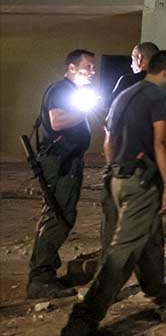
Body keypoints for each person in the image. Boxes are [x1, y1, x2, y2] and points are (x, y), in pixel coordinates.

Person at [62, 51, 166, 335]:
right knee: (123, 251)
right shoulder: (158, 96)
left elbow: (109, 140)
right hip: (139, 183)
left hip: (117, 178)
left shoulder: (123, 95)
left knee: (149, 243)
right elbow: (161, 143)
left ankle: (164, 298)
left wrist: (115, 171)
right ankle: (84, 318)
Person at [101, 42, 166, 267]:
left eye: (132, 58)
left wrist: (111, 166)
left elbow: (108, 133)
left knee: (113, 228)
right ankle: (152, 283)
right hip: (149, 168)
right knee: (150, 229)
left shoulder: (126, 85)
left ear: (140, 59)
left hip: (121, 165)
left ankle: (108, 279)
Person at [26, 49, 97, 299]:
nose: (92, 71)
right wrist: (86, 111)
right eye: (87, 67)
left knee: (60, 214)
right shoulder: (61, 90)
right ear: (71, 68)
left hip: (67, 162)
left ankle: (44, 273)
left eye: (92, 67)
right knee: (58, 215)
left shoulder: (72, 92)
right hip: (60, 163)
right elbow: (57, 122)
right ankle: (41, 278)